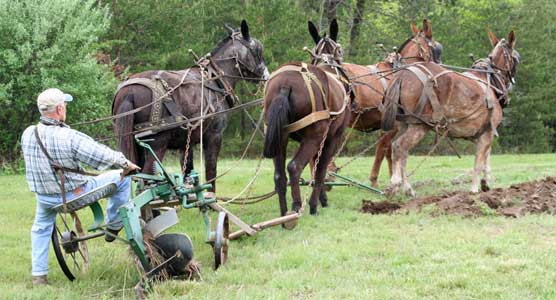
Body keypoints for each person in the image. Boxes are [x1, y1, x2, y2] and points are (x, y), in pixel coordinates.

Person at [21, 88, 141, 286]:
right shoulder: (69, 136)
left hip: (44, 198)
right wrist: (126, 164)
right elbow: (99, 155)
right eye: (65, 105)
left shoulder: (28, 133)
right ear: (59, 109)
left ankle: (39, 277)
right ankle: (114, 225)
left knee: (40, 229)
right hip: (75, 195)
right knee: (122, 178)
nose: (66, 108)